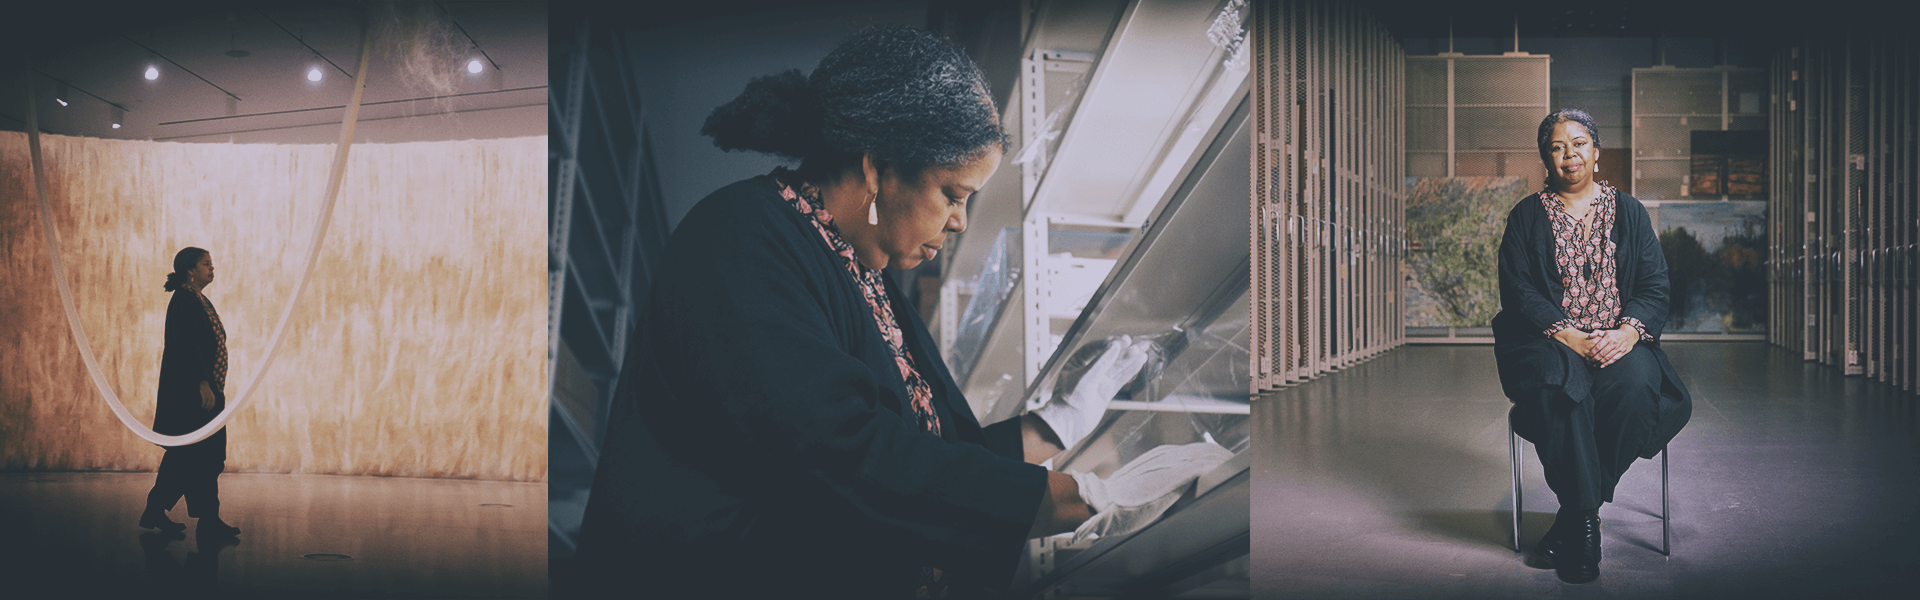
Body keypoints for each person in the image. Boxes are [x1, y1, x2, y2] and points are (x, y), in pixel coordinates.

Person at [567, 26, 1094, 598]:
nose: (960, 220)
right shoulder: (740, 236)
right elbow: (833, 453)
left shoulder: (870, 278)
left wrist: (1052, 425)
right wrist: (1070, 500)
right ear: (877, 168)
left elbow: (933, 455)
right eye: (952, 193)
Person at [1492, 109, 1692, 584]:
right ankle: (1586, 528)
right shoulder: (1525, 216)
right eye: (1558, 147)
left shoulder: (1630, 212)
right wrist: (1569, 335)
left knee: (1639, 385)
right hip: (1549, 340)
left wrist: (1625, 334)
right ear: (1547, 158)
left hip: (1618, 337)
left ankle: (1576, 514)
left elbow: (1655, 285)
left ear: (1596, 153)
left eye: (1579, 143)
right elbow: (1518, 290)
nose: (1570, 154)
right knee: (1561, 388)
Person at [139, 247, 240, 539]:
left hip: (204, 392)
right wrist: (202, 383)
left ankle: (158, 510)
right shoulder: (185, 300)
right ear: (190, 270)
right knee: (200, 456)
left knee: (191, 456)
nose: (212, 268)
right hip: (195, 395)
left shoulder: (194, 298)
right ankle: (204, 520)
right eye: (206, 264)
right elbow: (186, 344)